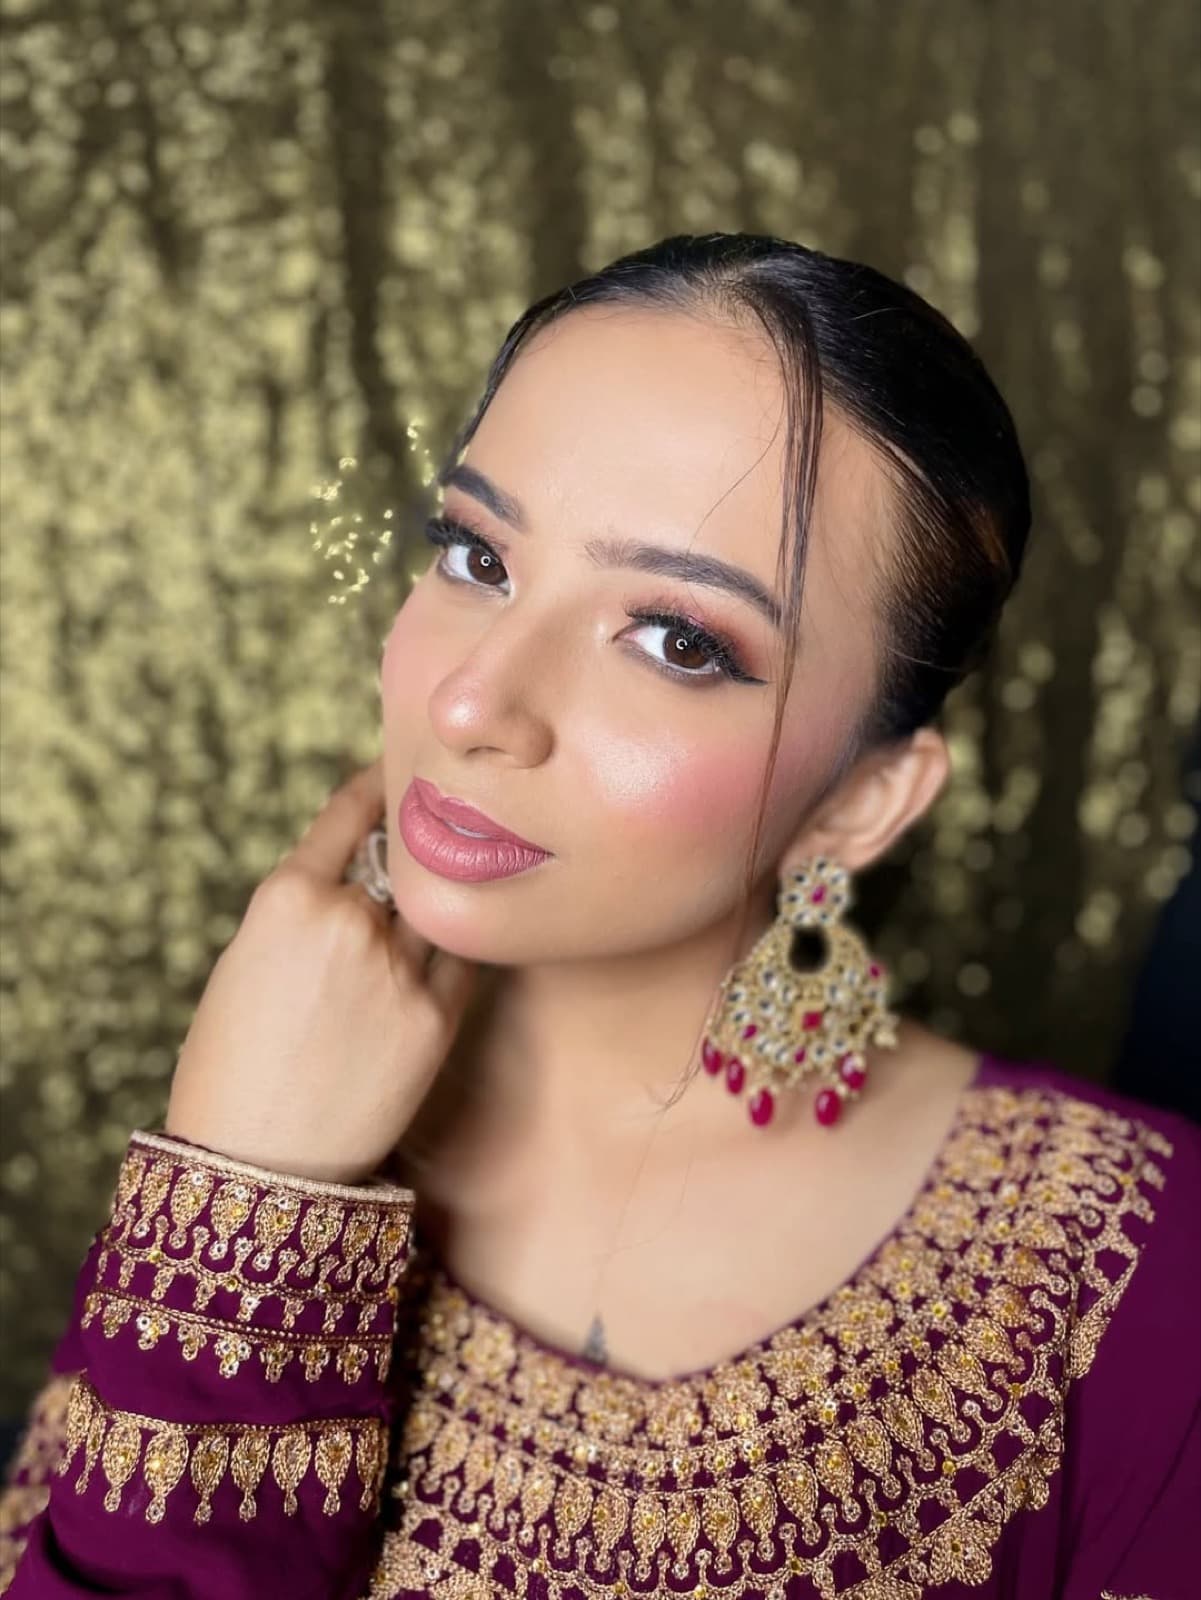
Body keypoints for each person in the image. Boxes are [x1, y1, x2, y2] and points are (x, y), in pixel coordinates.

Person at [1, 233, 1197, 1600]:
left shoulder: (1140, 1295)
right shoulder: (262, 1100)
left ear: (861, 801)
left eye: (678, 640)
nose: (471, 704)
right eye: (475, 555)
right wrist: (243, 1214)